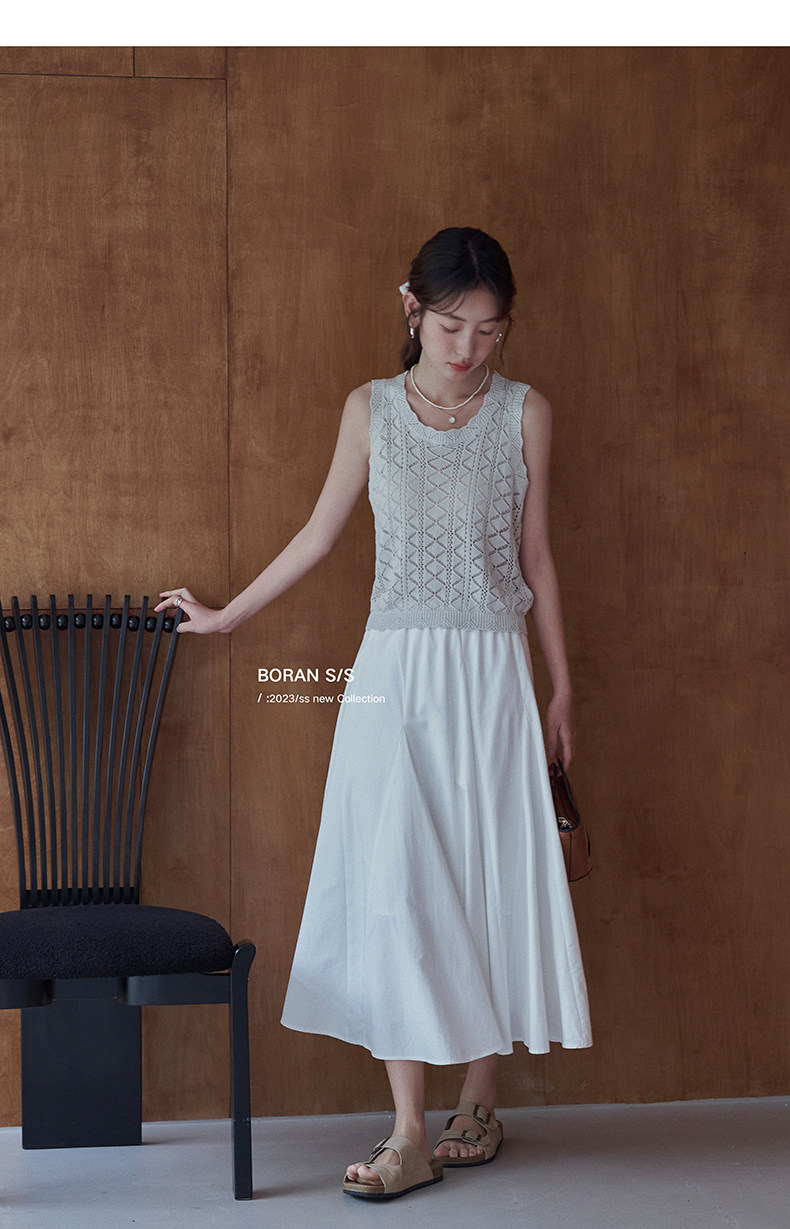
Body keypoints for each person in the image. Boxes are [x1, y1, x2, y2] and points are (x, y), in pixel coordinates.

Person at [156, 226, 591, 1201]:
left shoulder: (525, 413)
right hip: (393, 671)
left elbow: (537, 557)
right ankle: (407, 1128)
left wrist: (561, 685)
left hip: (492, 671)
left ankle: (478, 1099)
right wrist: (224, 618)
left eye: (489, 329)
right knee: (395, 883)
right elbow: (319, 534)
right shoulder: (370, 411)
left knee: (487, 875)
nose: (468, 347)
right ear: (411, 309)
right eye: (451, 325)